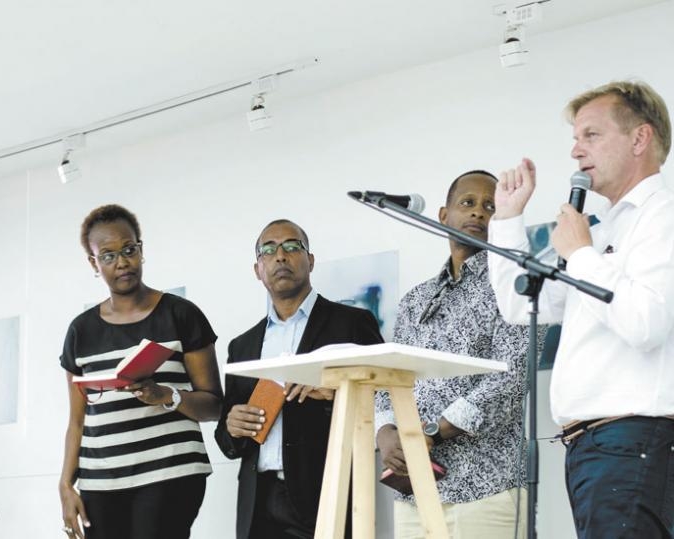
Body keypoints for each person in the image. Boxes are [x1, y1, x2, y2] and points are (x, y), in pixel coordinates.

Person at [488, 80, 674, 538]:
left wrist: (582, 254)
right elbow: (520, 303)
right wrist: (508, 219)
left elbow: (645, 322)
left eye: (590, 135)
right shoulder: (604, 226)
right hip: (596, 447)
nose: (575, 151)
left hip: (634, 441)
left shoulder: (663, 215)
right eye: (574, 138)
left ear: (639, 138)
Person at [374, 171, 534, 539]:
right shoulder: (416, 299)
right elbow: (388, 378)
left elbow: (511, 380)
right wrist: (385, 432)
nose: (478, 213)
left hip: (486, 487)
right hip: (415, 492)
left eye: (490, 207)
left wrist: (430, 433)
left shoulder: (514, 285)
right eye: (468, 203)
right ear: (444, 216)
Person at [58, 204, 223, 539]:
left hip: (171, 472)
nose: (122, 262)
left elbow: (214, 405)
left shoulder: (181, 314)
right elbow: (78, 420)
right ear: (94, 263)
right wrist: (65, 484)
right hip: (100, 480)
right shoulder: (80, 331)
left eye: (129, 250)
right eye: (108, 255)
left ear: (141, 250)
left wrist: (166, 395)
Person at [214, 219, 383, 539]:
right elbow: (226, 439)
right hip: (257, 503)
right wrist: (233, 427)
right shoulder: (242, 345)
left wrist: (335, 394)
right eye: (269, 250)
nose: (280, 256)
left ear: (311, 260)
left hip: (324, 493)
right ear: (257, 269)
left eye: (292, 247)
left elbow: (384, 399)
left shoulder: (351, 324)